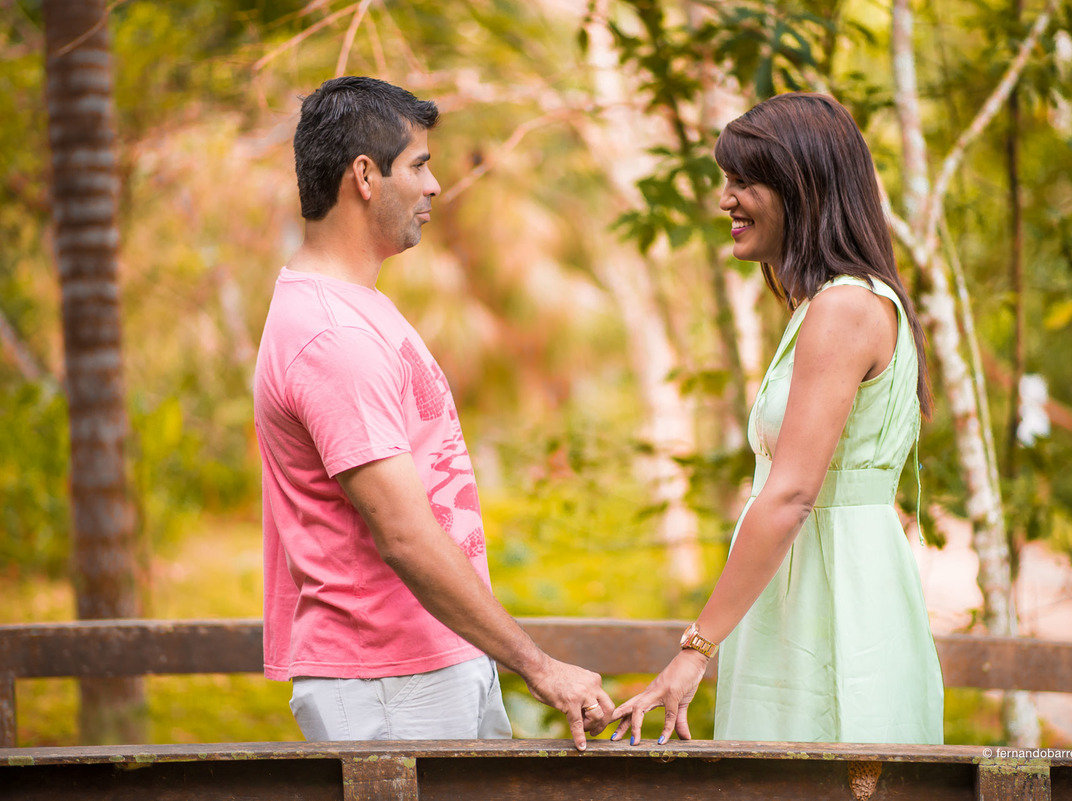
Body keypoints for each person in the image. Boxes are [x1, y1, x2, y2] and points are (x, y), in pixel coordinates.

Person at [253, 76, 613, 750]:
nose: (435, 186)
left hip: (422, 664)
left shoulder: (357, 307)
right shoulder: (334, 336)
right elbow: (404, 535)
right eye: (418, 165)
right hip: (388, 680)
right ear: (365, 176)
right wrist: (539, 666)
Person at [611, 92, 944, 745]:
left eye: (745, 181)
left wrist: (694, 649)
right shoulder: (833, 304)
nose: (725, 201)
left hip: (832, 594)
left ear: (803, 186)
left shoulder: (845, 307)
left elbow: (791, 495)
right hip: (805, 586)